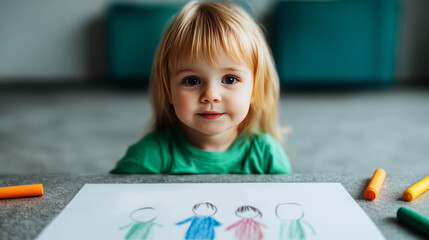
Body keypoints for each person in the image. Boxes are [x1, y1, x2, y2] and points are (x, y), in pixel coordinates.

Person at [110, 0, 292, 174]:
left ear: (255, 89)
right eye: (192, 81)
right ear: (168, 90)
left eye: (229, 79)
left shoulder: (267, 155)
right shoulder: (149, 156)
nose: (211, 95)